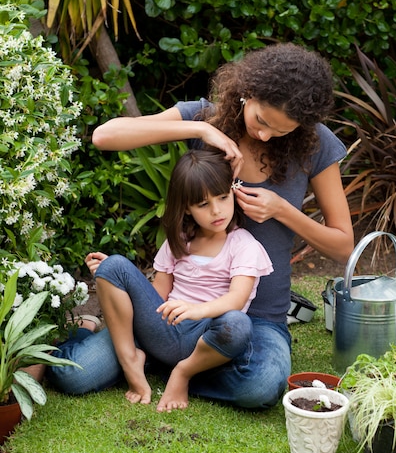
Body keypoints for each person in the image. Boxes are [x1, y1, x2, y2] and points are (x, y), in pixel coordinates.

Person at [49, 42, 354, 409]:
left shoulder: (315, 144)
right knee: (74, 374)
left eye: (281, 131)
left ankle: (173, 365)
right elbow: (105, 135)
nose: (265, 136)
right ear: (248, 92)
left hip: (253, 320)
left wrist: (283, 211)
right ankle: (117, 338)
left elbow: (342, 246)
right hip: (177, 313)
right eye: (261, 121)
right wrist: (200, 130)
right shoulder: (204, 117)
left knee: (262, 386)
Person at [49, 148, 273, 412]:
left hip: (204, 338)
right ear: (187, 209)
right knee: (70, 375)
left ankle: (182, 372)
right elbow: (158, 294)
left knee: (237, 324)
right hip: (161, 331)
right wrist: (114, 276)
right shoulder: (179, 241)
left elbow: (237, 299)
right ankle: (124, 355)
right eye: (203, 204)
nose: (216, 210)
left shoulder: (243, 245)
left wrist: (196, 310)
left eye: (223, 198)